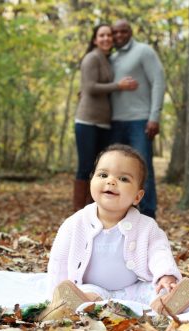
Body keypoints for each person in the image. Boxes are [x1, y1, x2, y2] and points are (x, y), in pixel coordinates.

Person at [40, 144, 189, 321]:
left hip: (132, 288)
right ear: (92, 181)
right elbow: (59, 261)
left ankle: (164, 303)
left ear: (137, 197)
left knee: (153, 289)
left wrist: (166, 274)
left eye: (123, 179)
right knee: (85, 295)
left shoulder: (146, 226)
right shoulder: (75, 223)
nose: (111, 181)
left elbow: (158, 251)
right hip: (93, 287)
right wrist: (54, 294)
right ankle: (76, 303)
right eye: (103, 175)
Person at [73, 23, 138, 212]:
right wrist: (119, 86)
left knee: (98, 168)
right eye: (101, 35)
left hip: (103, 123)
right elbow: (90, 87)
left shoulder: (107, 59)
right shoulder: (91, 58)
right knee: (85, 167)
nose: (106, 39)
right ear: (95, 39)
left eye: (109, 35)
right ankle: (79, 212)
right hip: (87, 121)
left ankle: (94, 210)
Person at [109, 19, 166, 219]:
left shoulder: (144, 51)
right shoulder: (112, 57)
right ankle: (123, 212)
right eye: (115, 32)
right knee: (116, 170)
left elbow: (158, 82)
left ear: (130, 32)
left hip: (139, 120)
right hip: (113, 122)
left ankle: (148, 215)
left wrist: (154, 117)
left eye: (123, 31)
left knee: (142, 169)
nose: (118, 36)